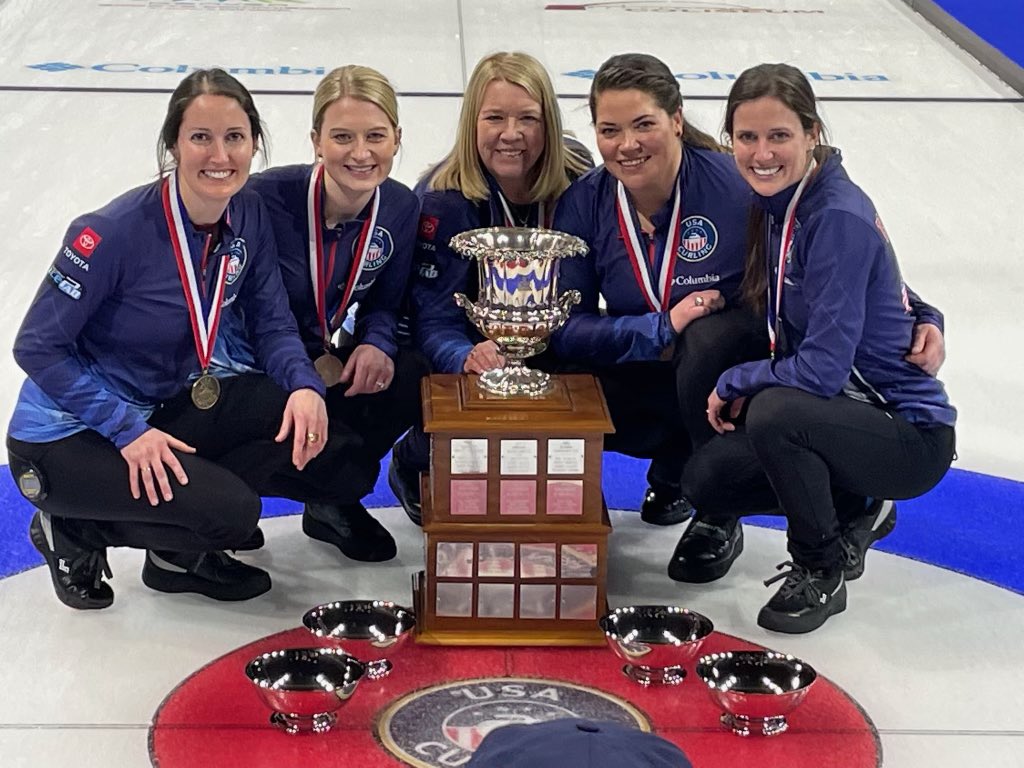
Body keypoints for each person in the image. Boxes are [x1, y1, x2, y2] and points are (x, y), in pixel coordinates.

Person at [551, 53, 947, 535]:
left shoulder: (739, 186)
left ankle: (720, 517)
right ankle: (674, 474)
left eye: (644, 125)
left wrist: (922, 312)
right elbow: (564, 326)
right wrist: (658, 328)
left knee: (710, 338)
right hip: (648, 378)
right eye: (610, 130)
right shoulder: (585, 202)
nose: (627, 144)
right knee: (562, 374)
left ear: (677, 121)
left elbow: (843, 257)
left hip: (725, 379)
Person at [6, 69, 328, 610]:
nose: (219, 155)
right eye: (201, 137)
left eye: (234, 136)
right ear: (173, 144)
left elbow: (272, 323)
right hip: (67, 435)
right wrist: (125, 429)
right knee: (233, 513)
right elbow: (36, 347)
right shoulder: (111, 232)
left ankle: (176, 554)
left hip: (155, 410)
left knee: (286, 411)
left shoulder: (246, 211)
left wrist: (304, 386)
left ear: (254, 142)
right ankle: (73, 527)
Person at [678, 62, 956, 633]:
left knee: (776, 410)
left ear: (812, 133)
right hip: (843, 414)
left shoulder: (833, 215)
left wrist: (739, 380)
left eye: (779, 135)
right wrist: (926, 313)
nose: (761, 153)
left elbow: (824, 371)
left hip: (904, 432)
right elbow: (879, 284)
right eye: (747, 137)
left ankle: (820, 567)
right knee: (710, 480)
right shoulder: (783, 200)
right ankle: (858, 505)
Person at [388, 51, 593, 523]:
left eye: (528, 118)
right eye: (495, 118)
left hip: (548, 329)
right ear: (471, 124)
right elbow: (432, 318)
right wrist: (465, 355)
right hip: (464, 337)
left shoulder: (579, 176)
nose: (511, 134)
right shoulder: (443, 197)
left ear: (549, 122)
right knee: (457, 377)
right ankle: (417, 455)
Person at [243, 65, 423, 562]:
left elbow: (386, 301)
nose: (360, 153)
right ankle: (218, 506)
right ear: (316, 141)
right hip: (252, 363)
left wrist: (377, 343)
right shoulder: (263, 199)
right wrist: (305, 369)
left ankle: (329, 502)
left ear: (396, 138)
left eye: (375, 136)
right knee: (343, 460)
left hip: (321, 355)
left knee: (411, 372)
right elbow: (246, 317)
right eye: (342, 137)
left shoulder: (399, 207)